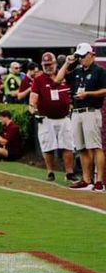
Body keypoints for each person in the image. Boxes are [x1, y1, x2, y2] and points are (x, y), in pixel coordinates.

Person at [56, 43, 106, 191]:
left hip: (90, 111)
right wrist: (67, 62)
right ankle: (86, 179)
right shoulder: (77, 72)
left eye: (83, 56)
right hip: (77, 112)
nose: (81, 59)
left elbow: (104, 90)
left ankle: (99, 181)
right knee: (82, 147)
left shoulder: (99, 71)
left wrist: (88, 94)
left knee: (95, 146)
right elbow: (58, 80)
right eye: (79, 56)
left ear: (92, 55)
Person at [29, 51, 76, 183]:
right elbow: (33, 96)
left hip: (64, 116)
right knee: (48, 146)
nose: (48, 67)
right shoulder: (38, 80)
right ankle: (50, 171)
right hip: (46, 118)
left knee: (68, 145)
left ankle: (69, 172)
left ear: (55, 64)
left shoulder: (64, 76)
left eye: (50, 64)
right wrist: (32, 106)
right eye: (45, 65)